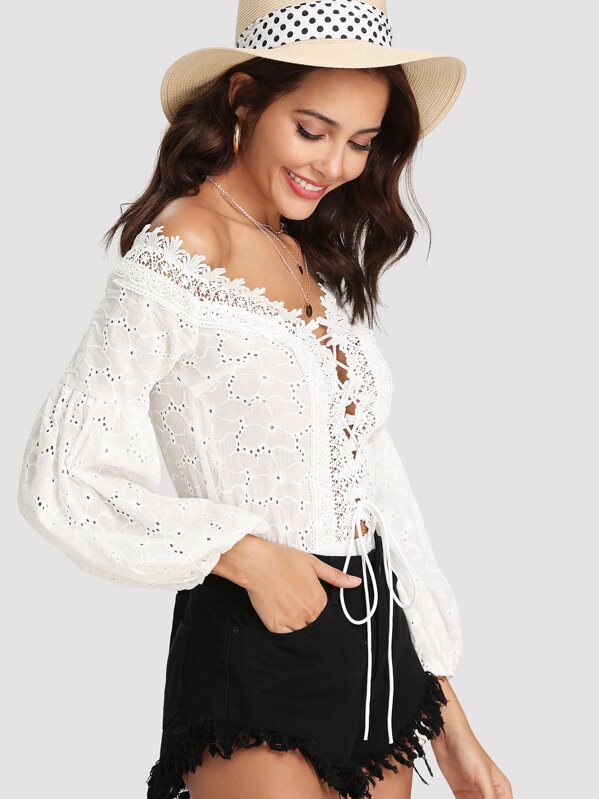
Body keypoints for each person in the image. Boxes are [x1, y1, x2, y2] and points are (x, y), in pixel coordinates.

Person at [16, 2, 513, 798]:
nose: (335, 165)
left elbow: (377, 492)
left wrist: (452, 723)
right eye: (312, 130)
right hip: (257, 642)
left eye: (360, 142)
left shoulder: (301, 252)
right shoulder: (185, 247)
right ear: (244, 99)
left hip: (382, 656)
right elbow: (63, 475)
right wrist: (241, 553)